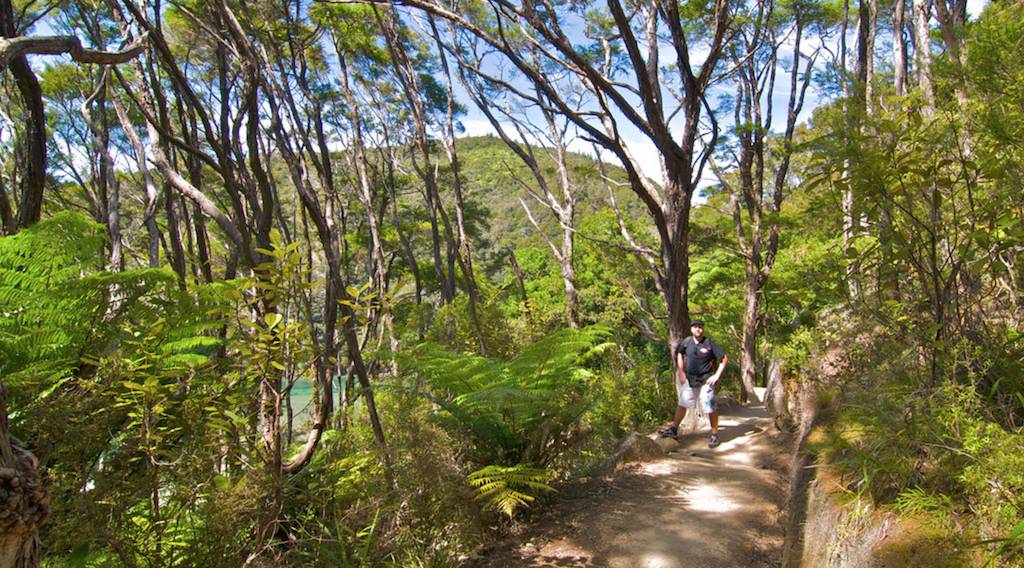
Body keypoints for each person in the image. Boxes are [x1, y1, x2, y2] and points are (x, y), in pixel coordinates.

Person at [658, 320, 728, 447]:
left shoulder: (709, 343)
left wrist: (716, 375)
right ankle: (673, 429)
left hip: (706, 381)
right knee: (682, 404)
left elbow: (723, 358)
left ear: (703, 329)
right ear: (691, 329)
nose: (698, 329)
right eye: (696, 327)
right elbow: (679, 352)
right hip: (689, 380)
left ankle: (714, 434)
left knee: (710, 408)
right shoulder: (687, 342)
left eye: (700, 327)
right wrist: (680, 371)